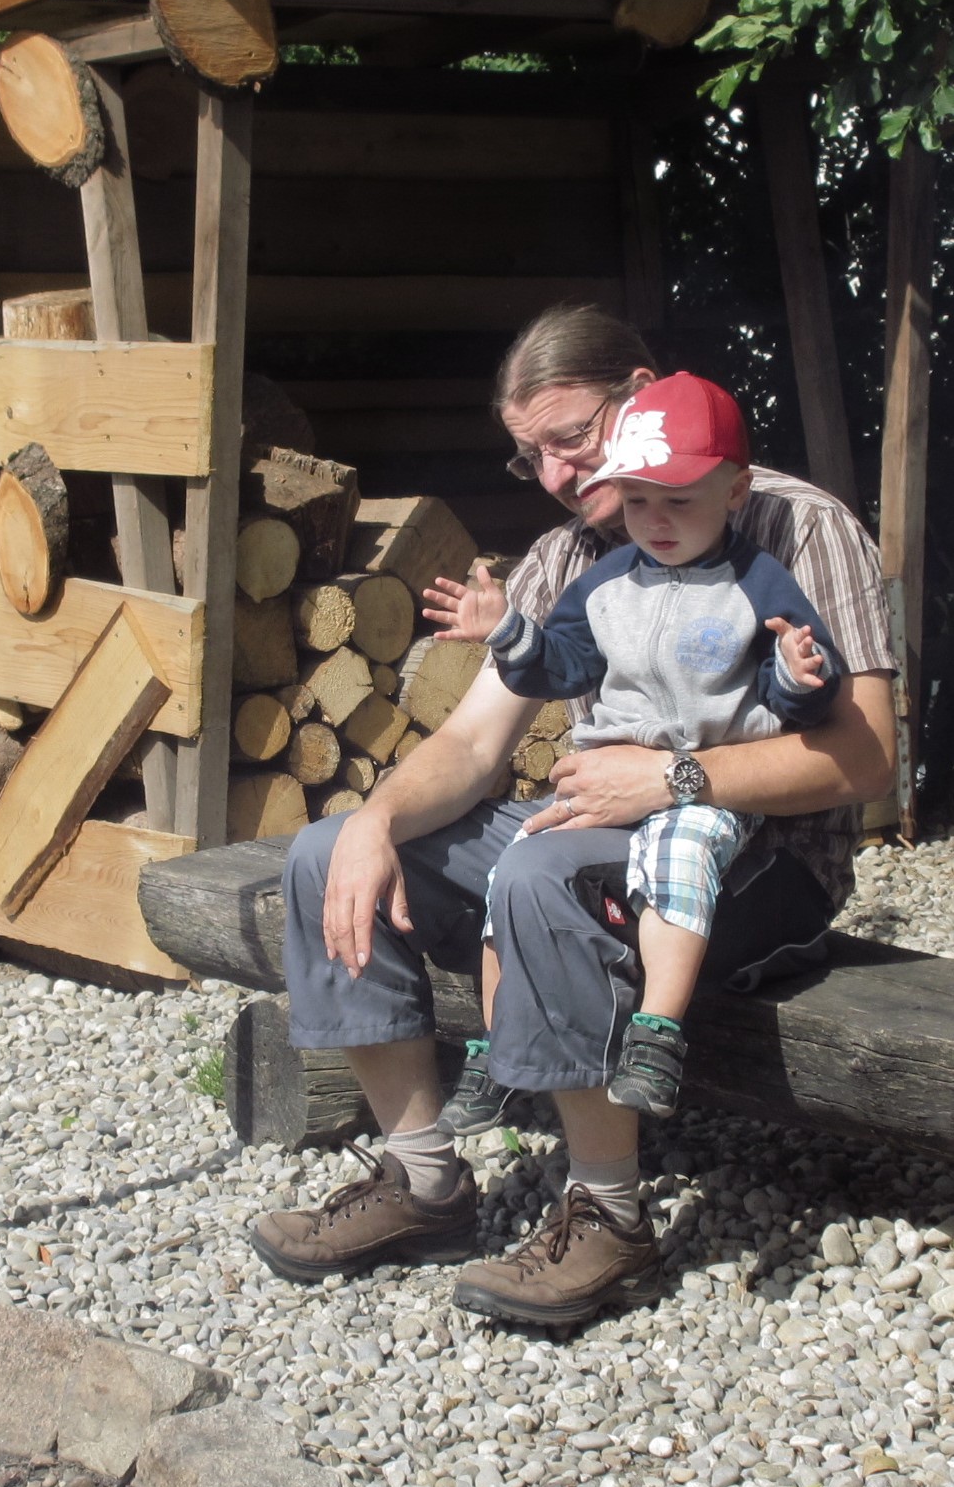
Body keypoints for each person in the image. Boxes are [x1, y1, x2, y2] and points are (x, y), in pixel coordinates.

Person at [250, 304, 894, 1331]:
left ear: (639, 395)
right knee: (328, 851)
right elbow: (471, 744)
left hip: (765, 861)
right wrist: (374, 819)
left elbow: (866, 756)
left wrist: (674, 778)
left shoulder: (797, 526)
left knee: (546, 874)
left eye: (570, 438)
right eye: (530, 456)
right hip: (608, 828)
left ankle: (608, 1216)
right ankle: (422, 1182)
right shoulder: (564, 559)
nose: (554, 474)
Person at [422, 372, 842, 1122]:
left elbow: (793, 698)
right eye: (639, 500)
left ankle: (656, 1033)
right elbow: (562, 667)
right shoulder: (604, 582)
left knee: (680, 857)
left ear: (735, 492)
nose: (656, 519)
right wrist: (507, 633)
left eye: (679, 500)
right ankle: (493, 1046)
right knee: (513, 867)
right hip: (607, 784)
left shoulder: (757, 581)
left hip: (705, 785)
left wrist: (798, 674)